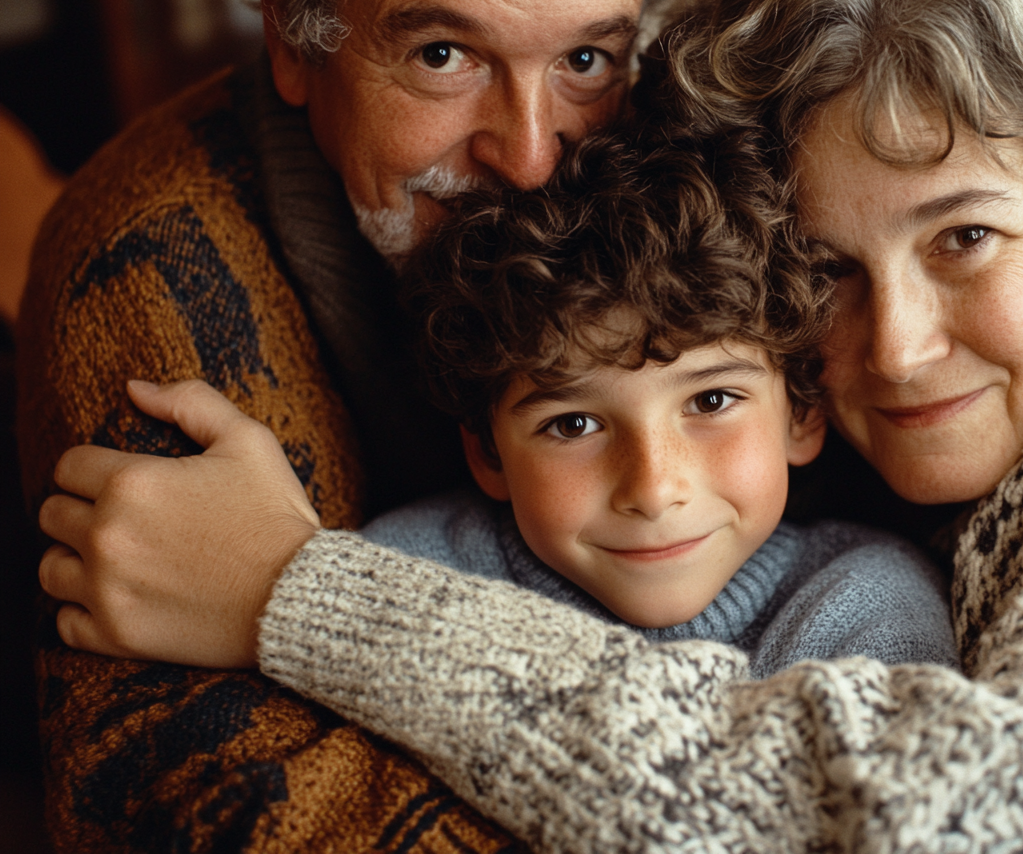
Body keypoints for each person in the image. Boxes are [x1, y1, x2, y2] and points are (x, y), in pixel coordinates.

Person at [34, 0, 1023, 851]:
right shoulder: (168, 250)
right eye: (826, 268)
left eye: (964, 242)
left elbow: (958, 824)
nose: (891, 349)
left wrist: (308, 597)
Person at [15, 0, 695, 849]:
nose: (531, 161)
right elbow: (219, 819)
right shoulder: (144, 263)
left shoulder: (680, 168)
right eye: (443, 54)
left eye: (586, 61)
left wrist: (292, 594)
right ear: (294, 40)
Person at [233, 125, 959, 674]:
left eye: (710, 401)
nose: (653, 487)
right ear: (487, 451)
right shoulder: (400, 577)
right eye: (572, 422)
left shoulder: (868, 606)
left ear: (802, 412)